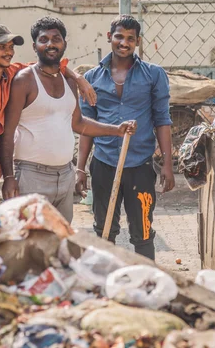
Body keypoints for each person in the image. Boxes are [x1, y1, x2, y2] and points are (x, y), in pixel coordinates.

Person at [0, 23, 98, 205]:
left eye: (10, 47)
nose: (8, 52)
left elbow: (50, 65)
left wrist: (78, 79)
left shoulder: (11, 72)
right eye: (1, 47)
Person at [0, 17, 136, 223]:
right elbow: (7, 134)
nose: (50, 44)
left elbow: (78, 123)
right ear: (34, 46)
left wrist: (116, 129)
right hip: (30, 176)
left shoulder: (70, 82)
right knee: (30, 244)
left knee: (61, 242)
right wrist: (9, 177)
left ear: (64, 43)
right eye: (43, 39)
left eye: (56, 39)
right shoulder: (24, 80)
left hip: (65, 176)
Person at [75, 15, 175, 260]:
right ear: (110, 37)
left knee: (142, 232)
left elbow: (162, 119)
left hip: (140, 165)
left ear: (137, 42)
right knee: (104, 230)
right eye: (119, 36)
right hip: (104, 164)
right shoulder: (91, 79)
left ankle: (148, 283)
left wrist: (168, 165)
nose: (124, 42)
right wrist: (80, 168)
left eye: (131, 38)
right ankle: (107, 282)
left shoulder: (153, 75)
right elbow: (86, 126)